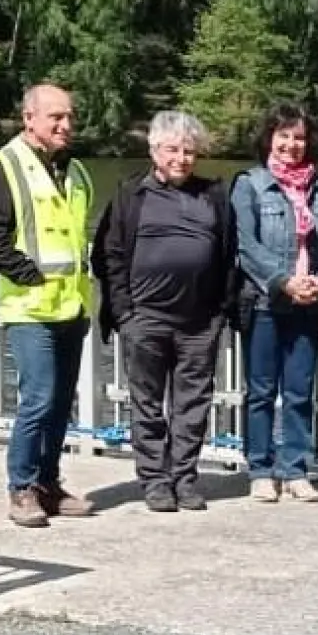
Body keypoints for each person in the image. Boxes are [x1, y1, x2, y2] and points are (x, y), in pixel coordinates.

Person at [92, 111, 235, 513]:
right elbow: (109, 254)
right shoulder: (130, 195)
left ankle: (185, 477)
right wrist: (124, 313)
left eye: (189, 151)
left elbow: (228, 256)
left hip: (198, 321)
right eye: (172, 149)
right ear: (154, 150)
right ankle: (154, 479)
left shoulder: (213, 196)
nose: (181, 158)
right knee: (147, 403)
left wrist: (219, 312)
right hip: (146, 318)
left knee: (193, 405)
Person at [0, 84, 97, 527]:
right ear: (29, 118)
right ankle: (20, 488)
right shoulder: (5, 165)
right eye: (55, 117)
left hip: (72, 306)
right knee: (38, 399)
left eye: (69, 117)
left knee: (61, 402)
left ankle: (48, 483)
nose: (65, 125)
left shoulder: (76, 171)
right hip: (29, 308)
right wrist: (28, 273)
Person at [232, 105, 318, 504]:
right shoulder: (250, 185)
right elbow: (246, 245)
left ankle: (296, 469)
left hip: (309, 302)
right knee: (262, 390)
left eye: (298, 137)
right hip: (265, 301)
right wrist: (283, 282)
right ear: (269, 138)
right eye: (283, 136)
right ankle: (261, 470)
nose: (291, 145)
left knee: (299, 390)